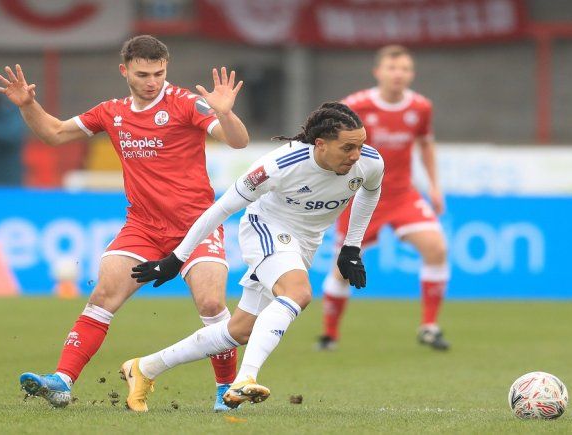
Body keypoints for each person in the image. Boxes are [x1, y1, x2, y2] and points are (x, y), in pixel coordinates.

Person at [0, 35, 249, 410]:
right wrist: (28, 105)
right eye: (143, 74)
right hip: (143, 227)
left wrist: (225, 113)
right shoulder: (111, 111)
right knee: (102, 296)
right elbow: (54, 133)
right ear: (124, 71)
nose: (152, 81)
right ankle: (62, 381)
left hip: (196, 225)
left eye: (159, 73)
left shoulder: (185, 103)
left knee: (211, 304)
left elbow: (238, 141)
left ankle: (226, 389)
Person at [120, 102, 385, 411]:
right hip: (266, 228)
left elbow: (370, 192)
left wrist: (351, 247)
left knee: (240, 330)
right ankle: (244, 379)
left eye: (361, 145)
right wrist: (177, 258)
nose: (356, 155)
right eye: (348, 147)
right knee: (297, 293)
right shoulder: (278, 165)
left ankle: (144, 368)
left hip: (305, 243)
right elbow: (221, 209)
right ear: (321, 144)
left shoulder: (370, 162)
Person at [319, 45, 451, 351]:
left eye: (404, 69)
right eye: (392, 68)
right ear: (378, 72)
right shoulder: (355, 106)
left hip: (402, 194)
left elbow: (425, 144)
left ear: (411, 74)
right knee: (342, 268)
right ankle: (329, 335)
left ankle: (429, 327)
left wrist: (434, 186)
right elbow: (328, 143)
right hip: (360, 196)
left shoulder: (420, 107)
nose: (398, 74)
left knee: (436, 248)